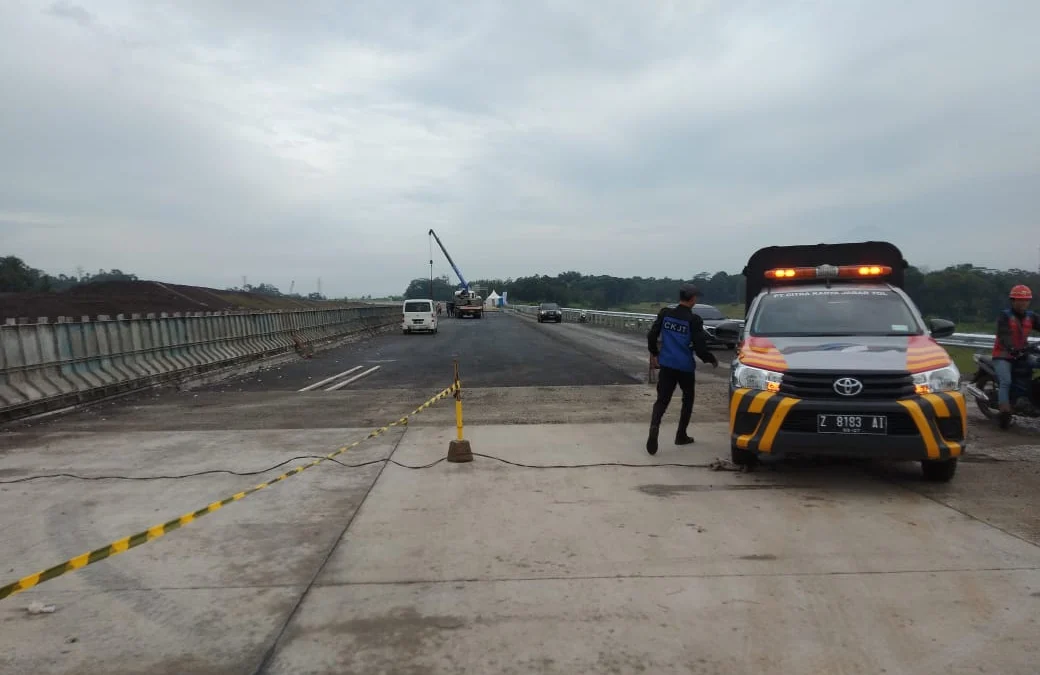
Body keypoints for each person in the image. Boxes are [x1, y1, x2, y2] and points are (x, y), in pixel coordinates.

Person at [645, 283, 719, 454]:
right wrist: (711, 359)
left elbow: (652, 335)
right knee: (687, 399)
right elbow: (700, 348)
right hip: (685, 367)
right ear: (692, 299)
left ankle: (654, 427)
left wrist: (655, 353)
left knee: (662, 400)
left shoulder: (665, 314)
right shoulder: (694, 320)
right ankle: (681, 435)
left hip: (667, 365)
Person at [992, 284, 1040, 420]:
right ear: (1012, 301)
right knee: (1006, 381)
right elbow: (1004, 334)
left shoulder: (1031, 316)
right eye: (1020, 300)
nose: (1023, 303)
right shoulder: (1005, 316)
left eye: (1026, 300)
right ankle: (1004, 412)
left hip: (1023, 352)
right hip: (1003, 355)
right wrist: (1011, 348)